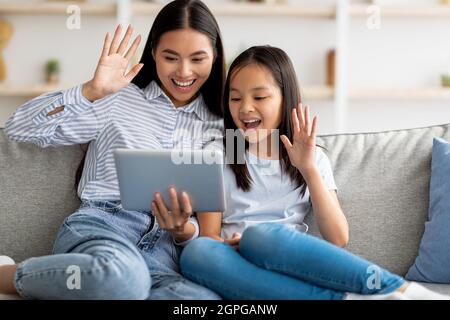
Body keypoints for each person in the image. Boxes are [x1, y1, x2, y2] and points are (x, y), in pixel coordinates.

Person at [171, 45, 449, 300]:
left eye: (259, 97)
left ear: (285, 98)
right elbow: (210, 237)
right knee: (196, 253)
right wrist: (222, 242)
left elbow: (338, 237)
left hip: (282, 254)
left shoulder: (312, 156)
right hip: (238, 264)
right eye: (235, 98)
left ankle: (398, 289)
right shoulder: (219, 154)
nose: (245, 108)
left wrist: (308, 168)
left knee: (260, 236)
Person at [0, 0, 225, 300]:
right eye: (171, 57)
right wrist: (90, 91)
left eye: (198, 59)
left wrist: (184, 229)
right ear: (154, 51)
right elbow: (19, 129)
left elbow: (209, 226)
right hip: (103, 228)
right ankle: (9, 274)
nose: (184, 71)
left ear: (215, 56)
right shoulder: (117, 98)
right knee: (123, 279)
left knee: (200, 301)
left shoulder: (221, 125)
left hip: (164, 251)